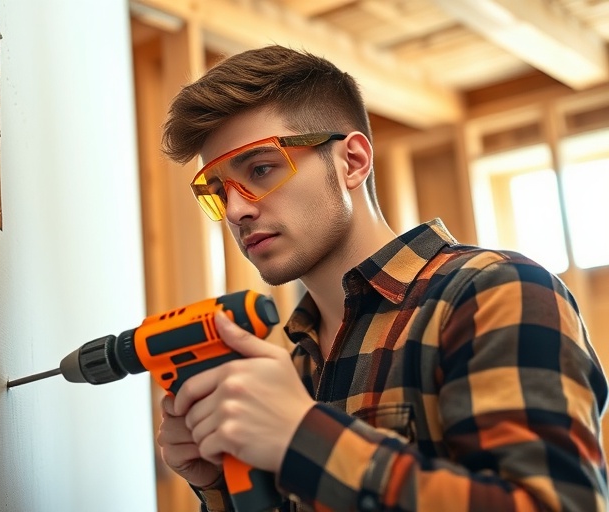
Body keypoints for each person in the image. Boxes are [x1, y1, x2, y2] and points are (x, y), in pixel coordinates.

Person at [155, 44, 608, 511]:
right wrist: (221, 486)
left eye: (262, 169)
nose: (236, 209)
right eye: (217, 191)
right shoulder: (295, 367)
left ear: (352, 162)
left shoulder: (494, 292)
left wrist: (302, 437)